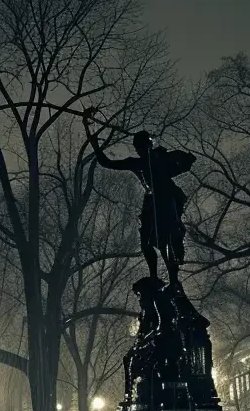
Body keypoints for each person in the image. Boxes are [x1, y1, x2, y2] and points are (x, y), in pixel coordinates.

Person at [83, 109, 196, 282]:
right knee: (146, 241)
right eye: (138, 148)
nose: (140, 150)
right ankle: (154, 278)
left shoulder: (161, 158)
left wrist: (178, 158)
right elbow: (106, 162)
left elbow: (188, 162)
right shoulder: (136, 163)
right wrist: (93, 140)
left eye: (143, 146)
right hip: (151, 200)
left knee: (168, 234)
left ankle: (173, 277)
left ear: (148, 145)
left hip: (168, 197)